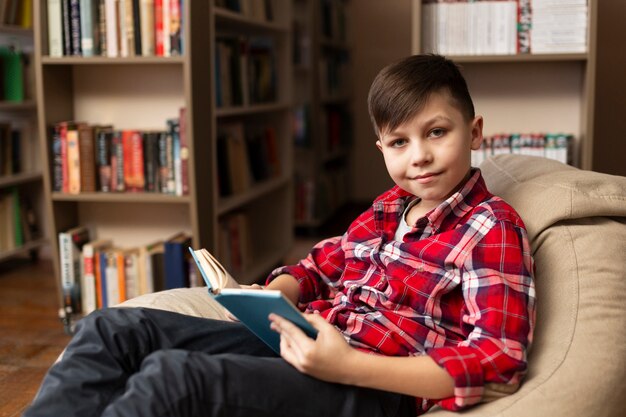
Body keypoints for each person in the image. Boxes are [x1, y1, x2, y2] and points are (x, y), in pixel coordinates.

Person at [24, 54, 535, 417]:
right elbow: (318, 266)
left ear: (474, 131)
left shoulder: (491, 226)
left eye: (437, 132)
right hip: (304, 342)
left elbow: (497, 361)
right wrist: (275, 294)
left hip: (369, 388)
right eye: (399, 141)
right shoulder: (384, 211)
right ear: (381, 147)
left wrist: (351, 366)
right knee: (114, 329)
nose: (418, 156)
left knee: (173, 379)